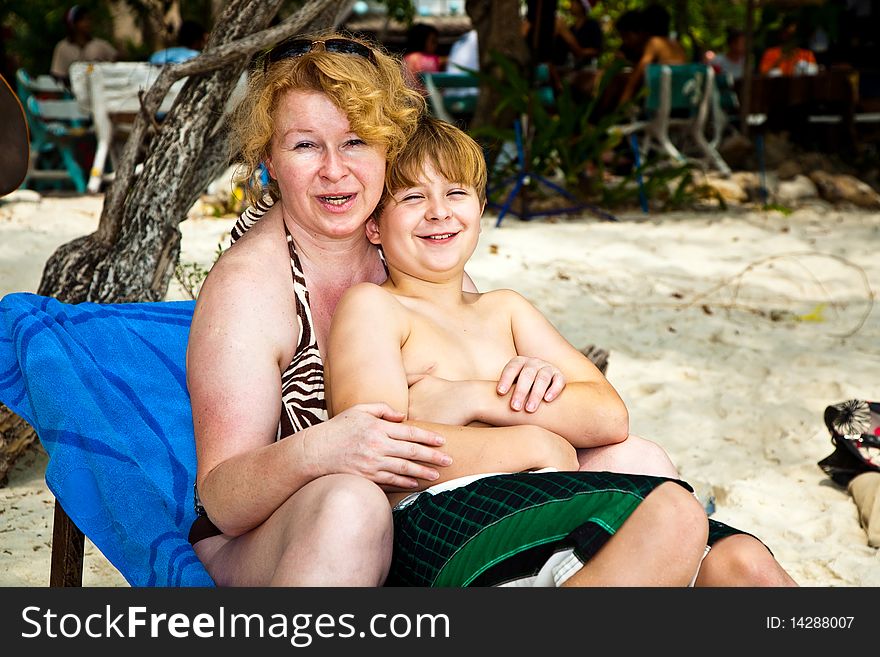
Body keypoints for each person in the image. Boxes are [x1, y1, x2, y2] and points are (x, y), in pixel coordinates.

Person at [184, 30, 694, 588]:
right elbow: (225, 499)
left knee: (635, 460)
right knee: (350, 503)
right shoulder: (251, 289)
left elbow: (470, 411)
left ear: (388, 147)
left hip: (418, 496)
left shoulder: (409, 249)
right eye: (305, 145)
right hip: (278, 531)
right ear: (269, 159)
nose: (334, 169)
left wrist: (519, 386)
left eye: (355, 141)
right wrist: (320, 450)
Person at [325, 115, 799, 587]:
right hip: (442, 516)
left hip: (542, 498)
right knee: (673, 514)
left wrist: (474, 398)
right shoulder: (376, 307)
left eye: (455, 193)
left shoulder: (505, 309)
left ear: (481, 208)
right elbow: (379, 452)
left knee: (745, 562)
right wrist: (536, 441)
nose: (438, 211)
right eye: (412, 197)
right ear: (373, 227)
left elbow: (608, 415)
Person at [616, 4, 687, 106]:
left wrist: (621, 105)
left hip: (663, 102)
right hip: (680, 100)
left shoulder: (654, 42)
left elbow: (637, 75)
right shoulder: (676, 44)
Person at [50, 5, 117, 86]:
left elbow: (117, 65)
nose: (87, 23)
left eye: (89, 19)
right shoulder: (62, 47)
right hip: (73, 94)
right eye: (83, 20)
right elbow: (58, 74)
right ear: (73, 24)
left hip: (100, 91)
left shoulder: (100, 45)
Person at [402, 23, 446, 94]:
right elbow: (437, 62)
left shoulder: (406, 58)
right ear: (422, 40)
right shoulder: (420, 59)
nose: (436, 45)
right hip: (424, 100)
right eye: (433, 41)